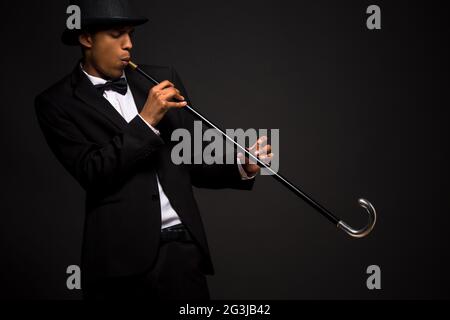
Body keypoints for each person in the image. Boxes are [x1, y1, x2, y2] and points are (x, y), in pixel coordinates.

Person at [35, 0, 273, 300]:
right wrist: (146, 121)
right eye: (117, 34)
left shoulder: (161, 79)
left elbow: (189, 158)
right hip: (118, 261)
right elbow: (92, 172)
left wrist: (241, 165)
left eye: (131, 33)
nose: (129, 45)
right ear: (86, 38)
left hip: (183, 251)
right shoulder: (55, 102)